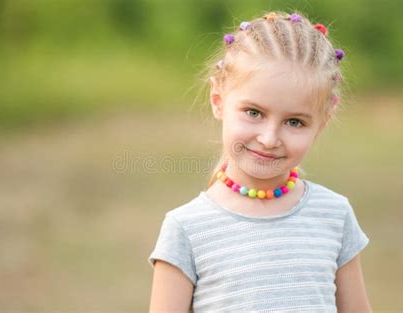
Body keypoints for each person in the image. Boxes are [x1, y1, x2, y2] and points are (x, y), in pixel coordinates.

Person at [148, 11, 372, 313]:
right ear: (218, 99)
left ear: (322, 121)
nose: (269, 138)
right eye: (253, 113)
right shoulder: (187, 229)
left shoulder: (334, 215)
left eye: (294, 121)